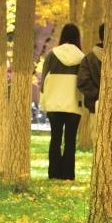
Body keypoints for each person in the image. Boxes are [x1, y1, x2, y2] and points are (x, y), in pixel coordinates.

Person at [40, 23, 84, 180]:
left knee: (55, 138)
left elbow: (43, 80)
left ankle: (54, 173)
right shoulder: (82, 58)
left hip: (54, 103)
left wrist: (44, 99)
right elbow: (83, 82)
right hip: (74, 103)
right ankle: (68, 174)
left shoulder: (52, 55)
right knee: (70, 140)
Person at [77, 23, 104, 143]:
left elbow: (83, 81)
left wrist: (97, 96)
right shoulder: (89, 58)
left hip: (94, 106)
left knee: (97, 139)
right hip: (98, 105)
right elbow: (82, 81)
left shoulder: (89, 58)